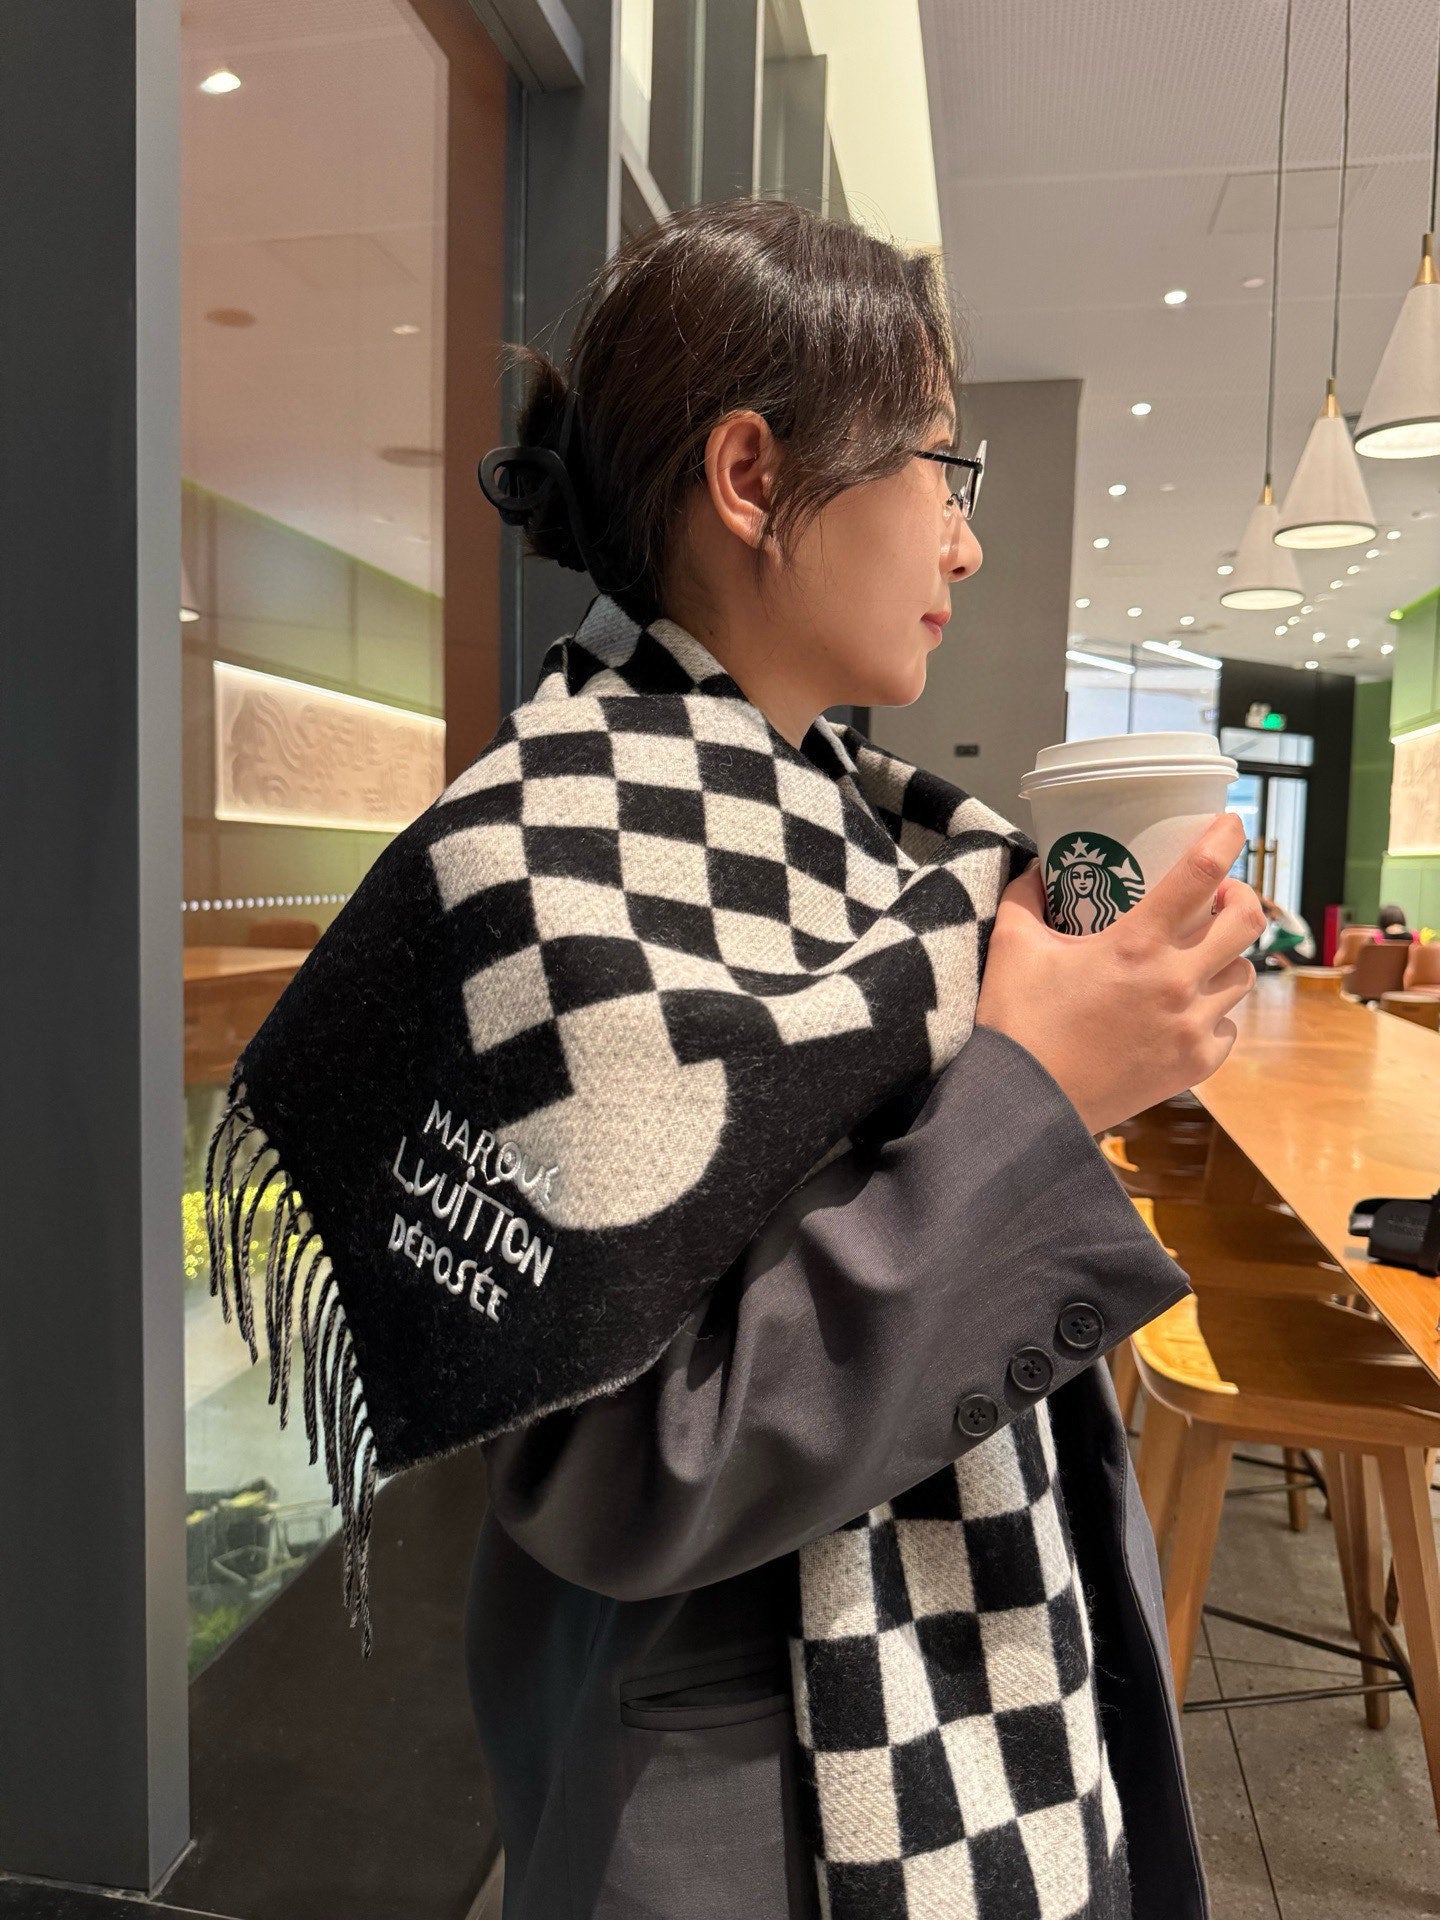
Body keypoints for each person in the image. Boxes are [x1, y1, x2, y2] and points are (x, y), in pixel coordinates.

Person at [464, 199, 1261, 1920]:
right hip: (749, 1800)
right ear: (755, 477)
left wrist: (1083, 1052)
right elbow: (623, 1466)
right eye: (940, 468)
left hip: (969, 1697)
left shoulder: (866, 838)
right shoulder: (547, 860)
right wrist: (1037, 1095)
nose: (965, 543)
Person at [1254, 893, 1315, 968]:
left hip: (1302, 950)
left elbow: (1272, 905)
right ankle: (1290, 969)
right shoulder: (1283, 922)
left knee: (1273, 951)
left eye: (1268, 915)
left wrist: (1258, 897)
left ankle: (1290, 969)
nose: (1269, 918)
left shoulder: (1286, 915)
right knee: (1270, 949)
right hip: (1304, 950)